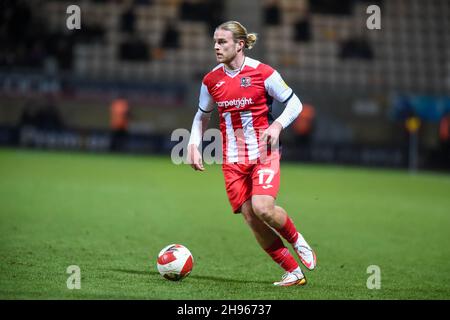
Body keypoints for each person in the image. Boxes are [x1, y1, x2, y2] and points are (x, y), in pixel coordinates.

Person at [187, 21, 317, 286]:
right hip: (233, 159)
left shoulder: (263, 72)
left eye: (222, 42)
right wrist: (193, 145)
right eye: (214, 41)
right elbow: (202, 116)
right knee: (250, 217)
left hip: (263, 153)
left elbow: (295, 103)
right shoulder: (211, 80)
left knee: (262, 208)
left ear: (240, 44)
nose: (216, 46)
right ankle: (293, 272)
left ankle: (297, 239)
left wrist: (277, 125)